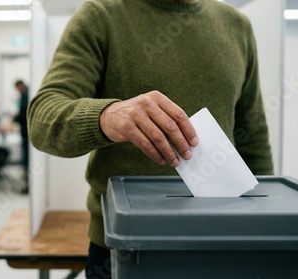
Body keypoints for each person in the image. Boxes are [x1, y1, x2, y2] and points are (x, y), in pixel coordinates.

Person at [27, 0, 274, 278]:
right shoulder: (100, 15)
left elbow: (254, 139)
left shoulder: (237, 25)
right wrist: (107, 115)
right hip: (124, 249)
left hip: (223, 243)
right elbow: (42, 118)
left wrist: (266, 233)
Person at [14, 80, 29, 193]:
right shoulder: (26, 94)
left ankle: (26, 185)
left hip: (26, 132)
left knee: (26, 160)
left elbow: (24, 114)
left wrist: (15, 118)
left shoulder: (25, 95)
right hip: (26, 132)